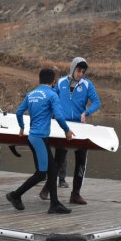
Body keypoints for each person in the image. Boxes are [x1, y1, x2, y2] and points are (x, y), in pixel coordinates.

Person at [6, 68, 74, 214]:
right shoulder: (52, 94)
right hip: (40, 139)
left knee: (51, 170)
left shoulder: (31, 94)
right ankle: (15, 195)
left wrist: (22, 128)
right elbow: (60, 117)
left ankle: (54, 204)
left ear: (39, 80)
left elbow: (18, 112)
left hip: (33, 137)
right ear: (53, 81)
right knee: (41, 173)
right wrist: (67, 130)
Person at [40, 57, 100, 205]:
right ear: (73, 69)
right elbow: (51, 98)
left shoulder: (87, 85)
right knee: (58, 160)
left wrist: (87, 112)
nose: (81, 74)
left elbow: (97, 102)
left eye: (83, 71)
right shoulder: (60, 83)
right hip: (63, 126)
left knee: (81, 162)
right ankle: (47, 188)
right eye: (78, 70)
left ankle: (75, 194)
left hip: (80, 128)